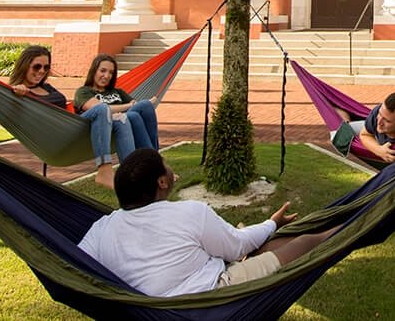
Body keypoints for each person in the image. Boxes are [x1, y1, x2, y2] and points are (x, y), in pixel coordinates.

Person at [78, 148, 332, 297]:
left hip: (146, 308)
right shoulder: (189, 213)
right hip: (207, 300)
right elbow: (238, 246)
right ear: (162, 182)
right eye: (166, 165)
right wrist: (272, 223)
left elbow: (75, 264)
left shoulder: (101, 229)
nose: (169, 168)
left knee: (265, 246)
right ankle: (350, 229)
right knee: (304, 242)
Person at [74, 53, 161, 187]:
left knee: (139, 110)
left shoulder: (118, 92)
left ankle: (157, 165)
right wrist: (127, 107)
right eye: (102, 71)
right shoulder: (83, 92)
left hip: (123, 121)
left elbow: (136, 105)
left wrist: (129, 108)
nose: (107, 76)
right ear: (94, 71)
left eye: (110, 72)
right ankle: (155, 168)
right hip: (97, 128)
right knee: (117, 114)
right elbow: (97, 108)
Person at [353, 91, 395, 163]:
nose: (379, 122)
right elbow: (364, 134)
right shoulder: (377, 112)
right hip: (367, 128)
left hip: (375, 133)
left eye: (387, 120)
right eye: (380, 114)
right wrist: (379, 150)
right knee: (342, 130)